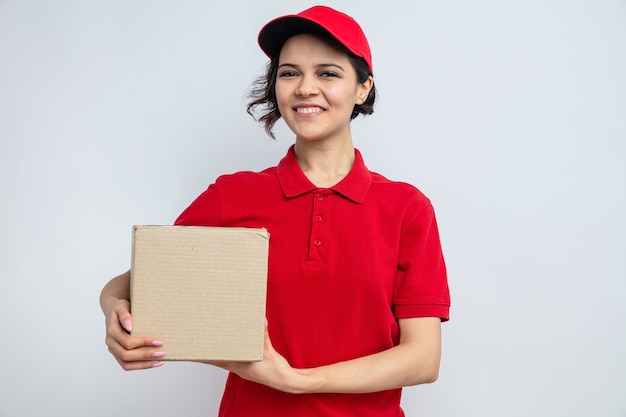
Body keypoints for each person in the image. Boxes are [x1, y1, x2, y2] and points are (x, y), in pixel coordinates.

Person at [100, 5, 450, 417]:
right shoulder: (232, 196)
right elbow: (132, 283)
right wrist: (114, 313)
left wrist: (299, 381)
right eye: (289, 73)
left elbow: (423, 359)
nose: (304, 87)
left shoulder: (407, 209)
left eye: (327, 73)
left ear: (362, 88)